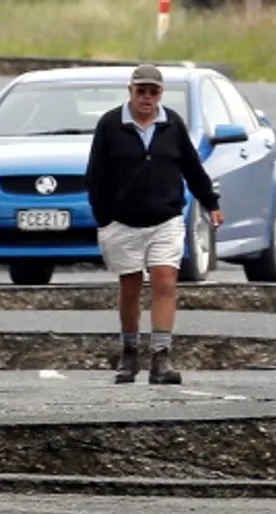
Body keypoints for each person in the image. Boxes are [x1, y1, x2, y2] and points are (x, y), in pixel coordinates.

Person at [85, 63, 223, 385]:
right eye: (141, 90)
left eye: (154, 91)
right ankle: (130, 352)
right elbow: (95, 177)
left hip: (166, 218)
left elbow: (191, 166)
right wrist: (104, 217)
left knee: (165, 280)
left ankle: (161, 357)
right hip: (121, 222)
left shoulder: (172, 124)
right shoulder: (110, 125)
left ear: (161, 94)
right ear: (130, 91)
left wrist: (211, 203)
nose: (147, 97)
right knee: (131, 286)